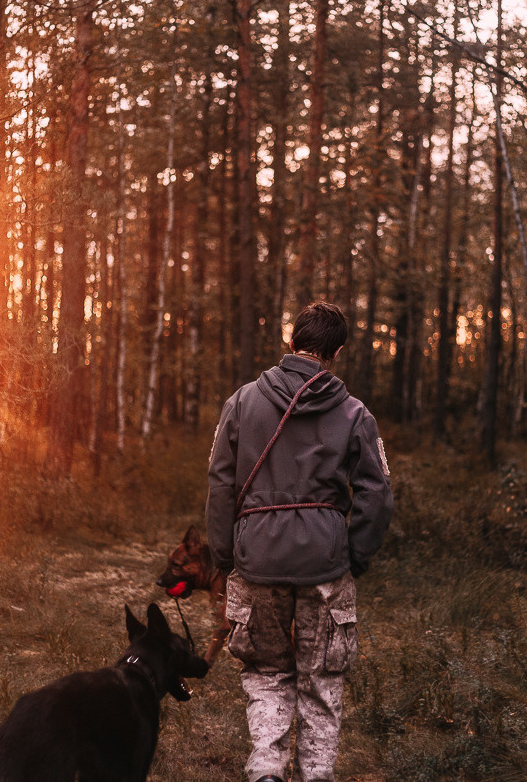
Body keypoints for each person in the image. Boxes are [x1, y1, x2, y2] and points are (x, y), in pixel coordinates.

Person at [205, 301, 394, 782]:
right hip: (326, 567)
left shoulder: (243, 401)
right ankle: (315, 775)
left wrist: (227, 556)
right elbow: (377, 493)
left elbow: (220, 483)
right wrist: (356, 556)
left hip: (257, 560)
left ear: (291, 342)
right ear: (336, 352)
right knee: (322, 679)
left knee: (266, 672)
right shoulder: (355, 414)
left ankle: (267, 772)